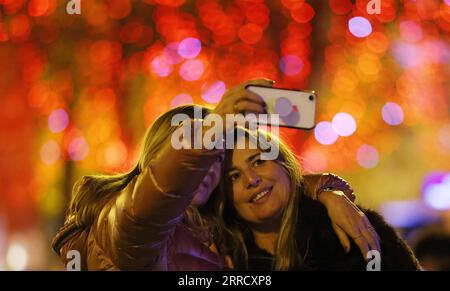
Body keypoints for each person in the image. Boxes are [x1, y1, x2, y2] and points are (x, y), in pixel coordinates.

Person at [52, 79, 380, 270]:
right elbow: (157, 197)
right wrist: (211, 130)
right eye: (197, 157)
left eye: (217, 159)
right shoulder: (123, 223)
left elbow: (270, 183)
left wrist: (326, 191)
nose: (207, 170)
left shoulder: (217, 229)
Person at [215, 127, 422, 270]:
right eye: (234, 176)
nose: (251, 179)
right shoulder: (224, 259)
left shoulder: (354, 228)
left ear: (285, 167)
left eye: (259, 162)